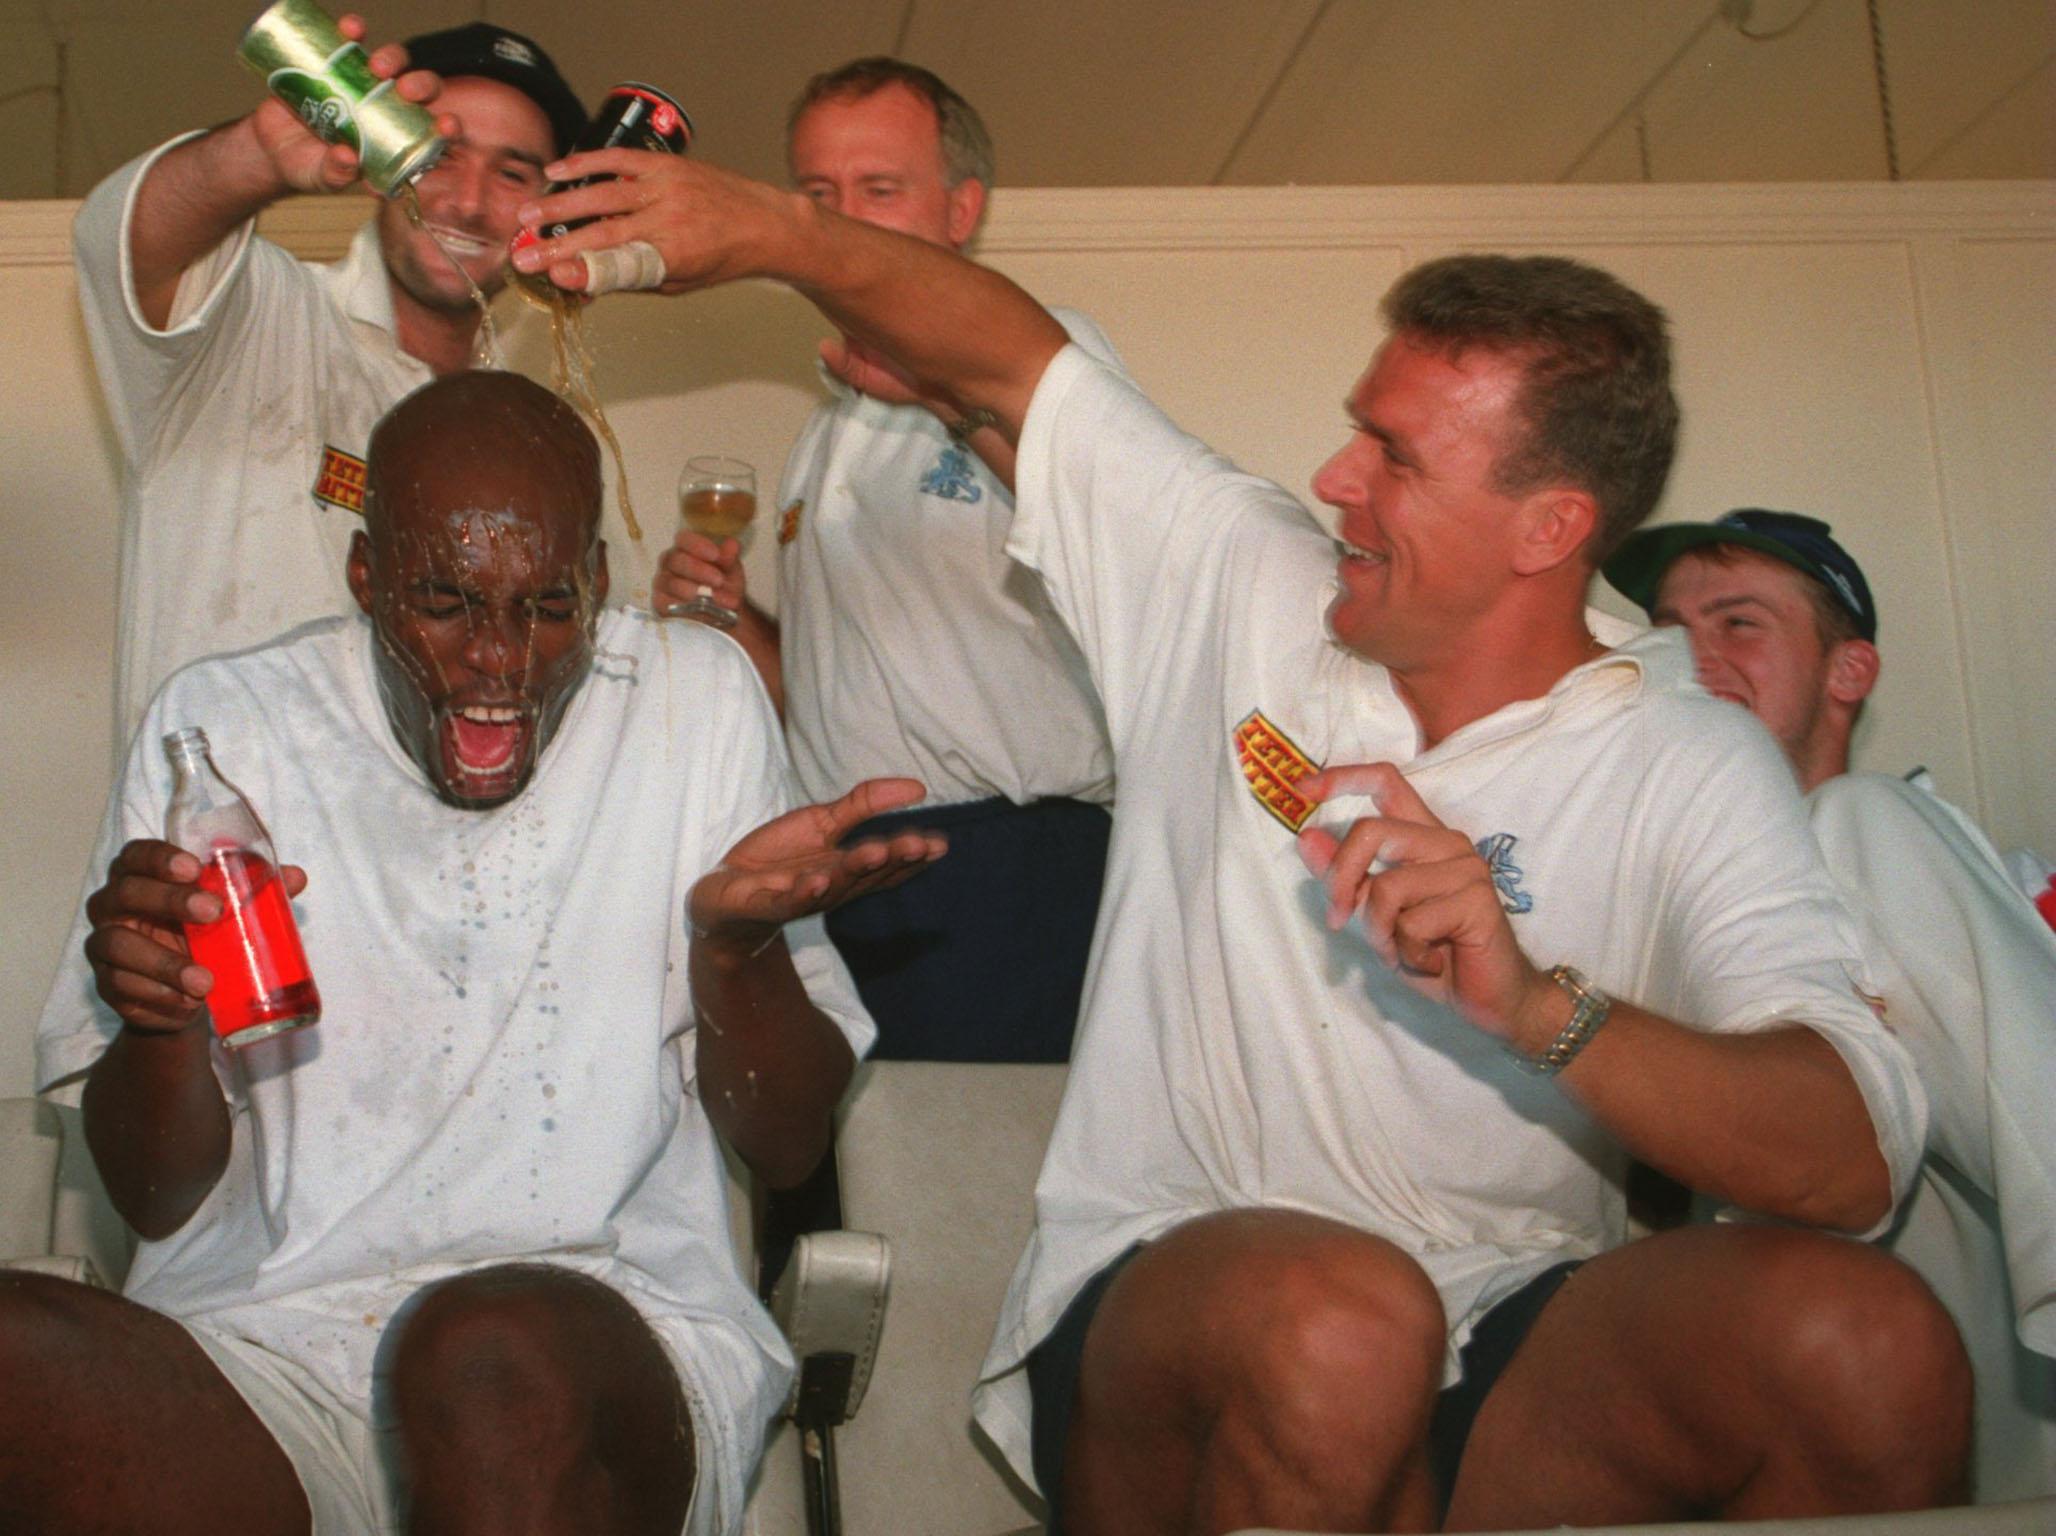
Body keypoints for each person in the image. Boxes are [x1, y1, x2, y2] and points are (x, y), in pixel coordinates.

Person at [515, 168, 1973, 1532]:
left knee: (1871, 1344)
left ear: (1553, 527)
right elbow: (1018, 364)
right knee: (1348, 1320)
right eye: (1357, 427)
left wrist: (1539, 1009)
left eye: (1395, 457)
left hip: (1514, 1322)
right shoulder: (1243, 579)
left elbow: (1849, 1154)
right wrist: (776, 232)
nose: (1336, 476)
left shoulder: (1684, 750)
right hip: (1178, 1305)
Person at [5, 371, 943, 1535]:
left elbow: (787, 1138)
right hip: (268, 1353)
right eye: (445, 604)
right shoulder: (226, 730)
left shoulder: (690, 703)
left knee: (485, 1354)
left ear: (600, 584)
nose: (500, 660)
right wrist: (160, 1018)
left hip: (598, 1334)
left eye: (549, 608)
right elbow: (152, 1199)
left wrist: (736, 949)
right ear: (364, 577)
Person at [650, 59, 1118, 1063]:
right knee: (861, 1190)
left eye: (878, 190)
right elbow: (831, 694)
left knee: (982, 1183)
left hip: (1006, 862)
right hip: (847, 865)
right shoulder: (830, 429)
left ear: (962, 208)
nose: (841, 222)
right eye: (816, 196)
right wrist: (732, 620)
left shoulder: (1042, 360)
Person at [1606, 508, 2056, 1500]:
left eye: (1737, 623)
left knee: (1851, 821)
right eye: (1667, 633)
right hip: (1764, 1416)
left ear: (1847, 673)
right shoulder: (1629, 920)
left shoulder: (1912, 848)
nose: (1690, 658)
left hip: (1990, 1415)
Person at [75, 18, 587, 741]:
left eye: (512, 173)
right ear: (383, 159)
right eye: (441, 156)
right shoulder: (258, 319)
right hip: (207, 845)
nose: (469, 203)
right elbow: (122, 243)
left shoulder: (526, 430)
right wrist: (252, 158)